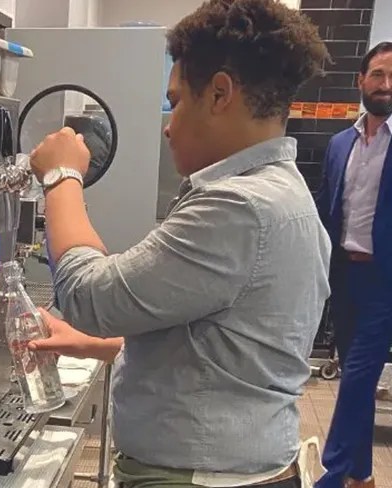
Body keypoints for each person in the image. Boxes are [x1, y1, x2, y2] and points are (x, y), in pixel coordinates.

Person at [26, 0, 332, 486]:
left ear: (219, 94)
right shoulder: (283, 194)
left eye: (176, 101)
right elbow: (222, 347)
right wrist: (97, 344)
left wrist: (63, 177)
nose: (168, 125)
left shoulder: (238, 207)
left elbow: (88, 294)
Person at [315, 42, 392, 488]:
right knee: (354, 376)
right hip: (343, 276)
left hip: (385, 281)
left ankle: (333, 471)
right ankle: (362, 475)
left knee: (360, 376)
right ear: (360, 80)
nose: (385, 85)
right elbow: (327, 207)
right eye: (378, 74)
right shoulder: (338, 143)